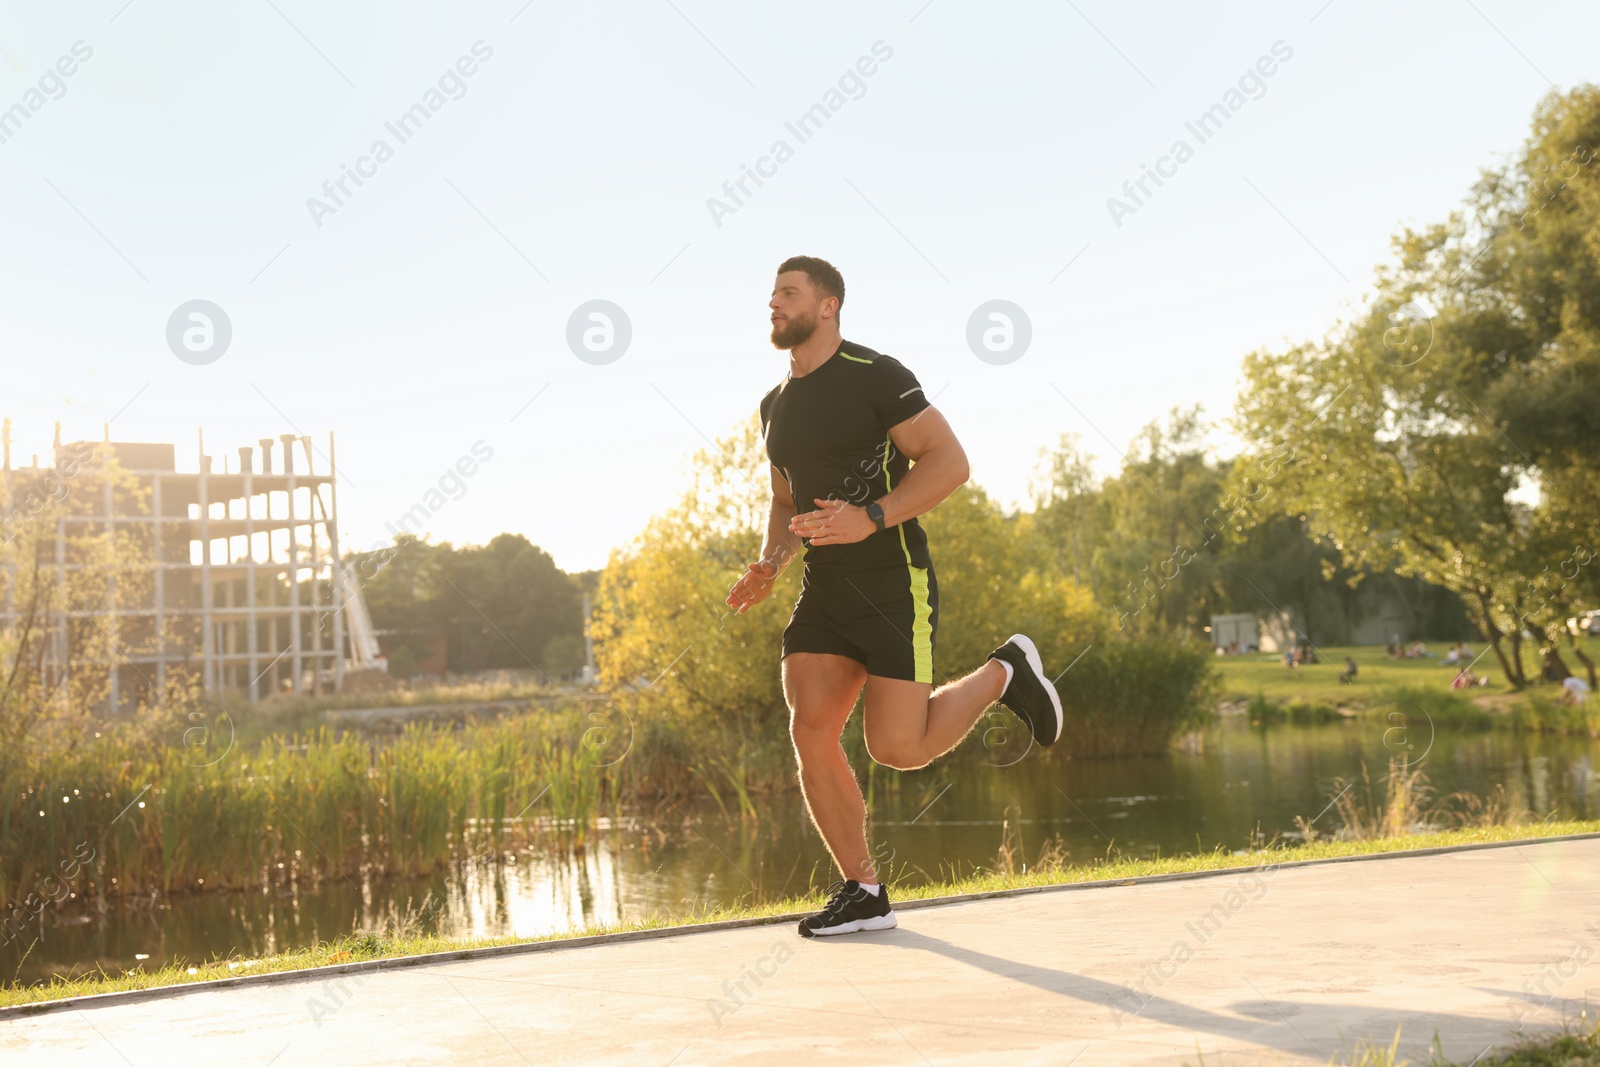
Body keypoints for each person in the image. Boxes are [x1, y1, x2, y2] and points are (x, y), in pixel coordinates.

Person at [725, 256, 1063, 939]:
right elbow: (785, 497)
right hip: (825, 586)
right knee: (809, 722)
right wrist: (771, 561)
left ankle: (1005, 670)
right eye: (771, 294)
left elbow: (949, 461)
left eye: (788, 293)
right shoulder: (774, 405)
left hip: (891, 579)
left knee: (898, 748)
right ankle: (864, 888)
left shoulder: (875, 375)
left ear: (827, 307)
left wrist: (871, 516)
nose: (773, 303)